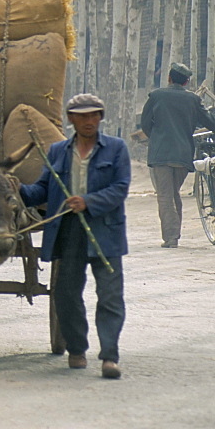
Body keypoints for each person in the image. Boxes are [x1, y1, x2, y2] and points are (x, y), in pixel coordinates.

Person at [20, 93, 129, 379]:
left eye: (94, 115)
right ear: (71, 120)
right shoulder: (57, 151)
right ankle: (77, 349)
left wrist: (89, 201)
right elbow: (41, 191)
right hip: (68, 232)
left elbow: (120, 188)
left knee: (110, 296)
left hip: (105, 232)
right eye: (82, 116)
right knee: (66, 294)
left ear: (101, 118)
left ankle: (109, 357)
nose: (89, 120)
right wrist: (15, 188)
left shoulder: (116, 149)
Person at [140, 63, 215, 248]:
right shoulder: (193, 100)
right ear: (187, 81)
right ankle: (175, 233)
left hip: (160, 154)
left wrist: (156, 139)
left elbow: (145, 124)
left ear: (169, 78)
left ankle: (171, 237)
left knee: (165, 195)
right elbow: (210, 123)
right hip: (183, 154)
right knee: (174, 193)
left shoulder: (156, 96)